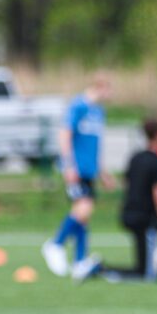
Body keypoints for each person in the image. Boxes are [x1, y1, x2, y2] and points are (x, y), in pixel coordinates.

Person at [75, 118, 157, 283]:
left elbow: (126, 184)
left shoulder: (135, 158)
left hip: (129, 213)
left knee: (142, 268)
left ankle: (101, 269)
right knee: (148, 275)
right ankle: (99, 269)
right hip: (146, 218)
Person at [42, 73, 114, 280]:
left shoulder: (99, 111)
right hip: (77, 169)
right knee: (84, 208)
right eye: (109, 89)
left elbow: (96, 145)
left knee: (83, 215)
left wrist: (102, 172)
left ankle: (79, 261)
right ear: (100, 86)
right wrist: (68, 165)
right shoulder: (78, 106)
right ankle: (55, 244)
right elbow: (64, 134)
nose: (111, 94)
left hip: (90, 170)